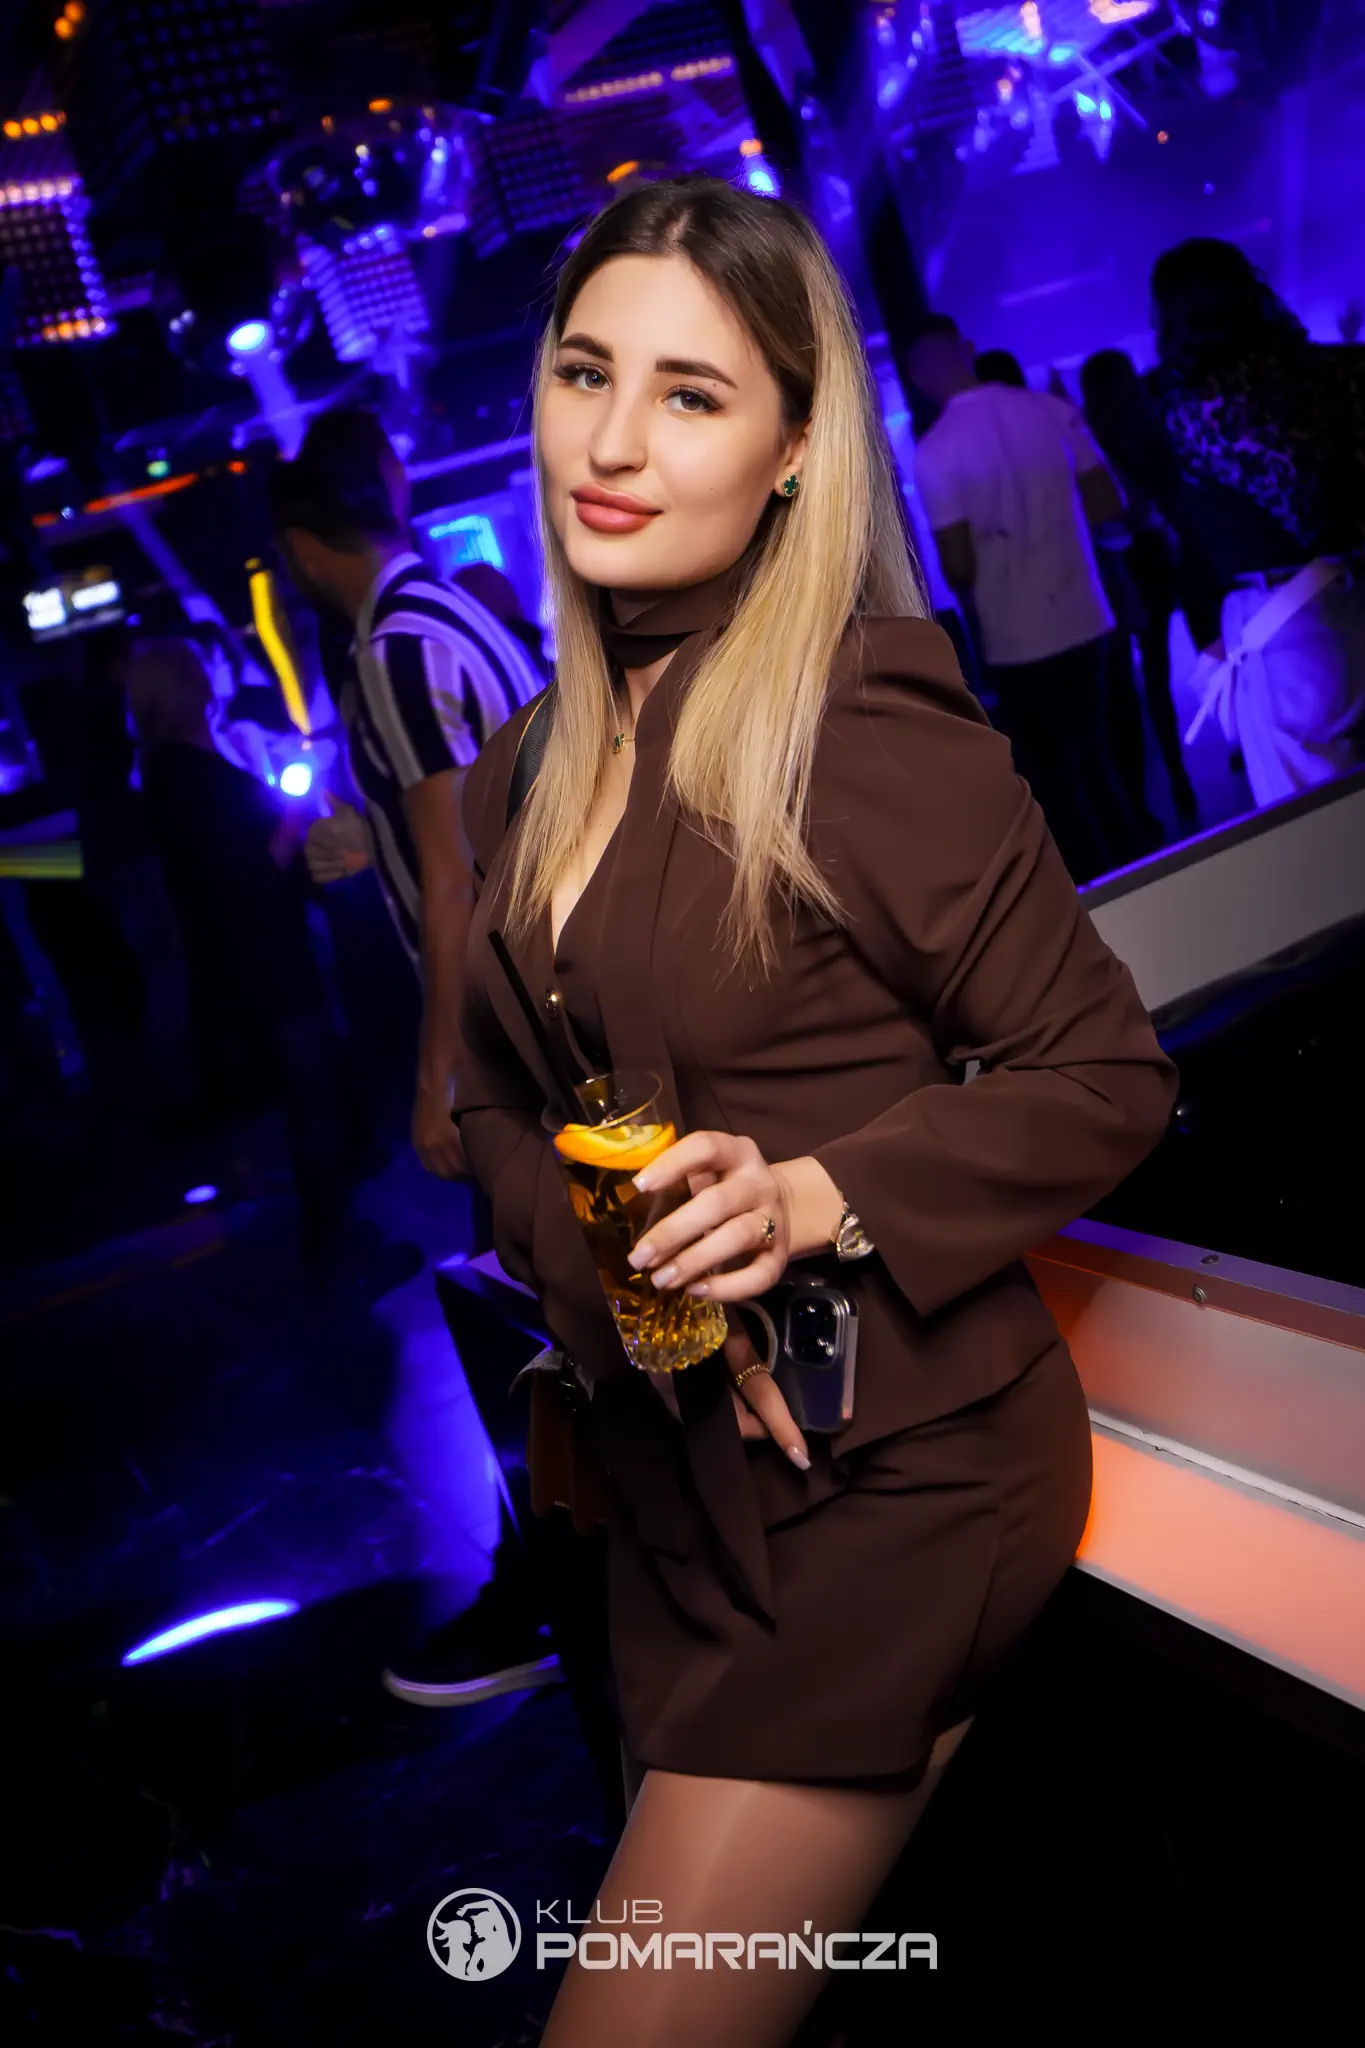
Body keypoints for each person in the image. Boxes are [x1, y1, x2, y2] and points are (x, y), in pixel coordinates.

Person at [453, 175, 1177, 2047]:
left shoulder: (856, 732)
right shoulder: (512, 778)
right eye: (586, 372)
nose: (613, 442)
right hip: (675, 1495)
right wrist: (637, 1289)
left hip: (891, 1489)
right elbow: (486, 1123)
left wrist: (807, 1198)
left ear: (794, 449)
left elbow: (1105, 1075)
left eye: (691, 394)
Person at [269, 408, 555, 1713]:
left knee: (518, 1313)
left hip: (514, 1023)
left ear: (299, 547)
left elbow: (453, 875)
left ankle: (541, 1589)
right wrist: (365, 839)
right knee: (560, 1296)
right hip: (569, 991)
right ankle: (577, 1569)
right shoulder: (454, 607)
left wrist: (438, 1075)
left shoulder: (388, 648)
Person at [127, 637, 350, 1258]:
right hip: (261, 951)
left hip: (239, 953)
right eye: (198, 669)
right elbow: (251, 870)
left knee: (301, 1090)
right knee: (310, 1089)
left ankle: (323, 1230)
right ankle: (329, 1243)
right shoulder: (186, 774)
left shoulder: (169, 769)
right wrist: (294, 814)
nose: (211, 675)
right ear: (183, 688)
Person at [904, 312, 1142, 883]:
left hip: (1015, 632)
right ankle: (1144, 865)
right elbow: (1108, 505)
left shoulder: (936, 452)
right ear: (966, 348)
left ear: (917, 378)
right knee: (1099, 757)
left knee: (1052, 777)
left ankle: (1102, 892)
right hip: (1085, 610)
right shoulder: (1049, 411)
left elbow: (959, 564)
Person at [1149, 238, 1365, 806]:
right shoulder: (1339, 371)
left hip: (1284, 625)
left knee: (1312, 825)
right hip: (1351, 596)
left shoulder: (1195, 410)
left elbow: (1199, 537)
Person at [1080, 348, 1201, 829]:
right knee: (1159, 671)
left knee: (1125, 682)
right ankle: (1178, 773)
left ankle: (1140, 797)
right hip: (1163, 558)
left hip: (1119, 565)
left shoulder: (1092, 440)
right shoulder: (1151, 432)